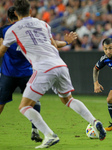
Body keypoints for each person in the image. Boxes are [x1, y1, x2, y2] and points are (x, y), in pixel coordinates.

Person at [0, 0, 106, 149]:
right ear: (31, 11)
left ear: (16, 13)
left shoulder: (12, 30)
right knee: (68, 100)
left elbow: (2, 50)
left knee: (24, 106)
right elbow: (54, 45)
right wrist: (66, 42)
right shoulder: (43, 24)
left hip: (43, 68)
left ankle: (49, 135)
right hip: (60, 65)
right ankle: (94, 122)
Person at [0, 6, 42, 143]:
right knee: (34, 102)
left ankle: (35, 131)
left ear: (8, 18)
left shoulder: (4, 31)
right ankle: (35, 130)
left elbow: (1, 51)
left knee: (1, 104)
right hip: (27, 72)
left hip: (8, 74)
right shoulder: (29, 30)